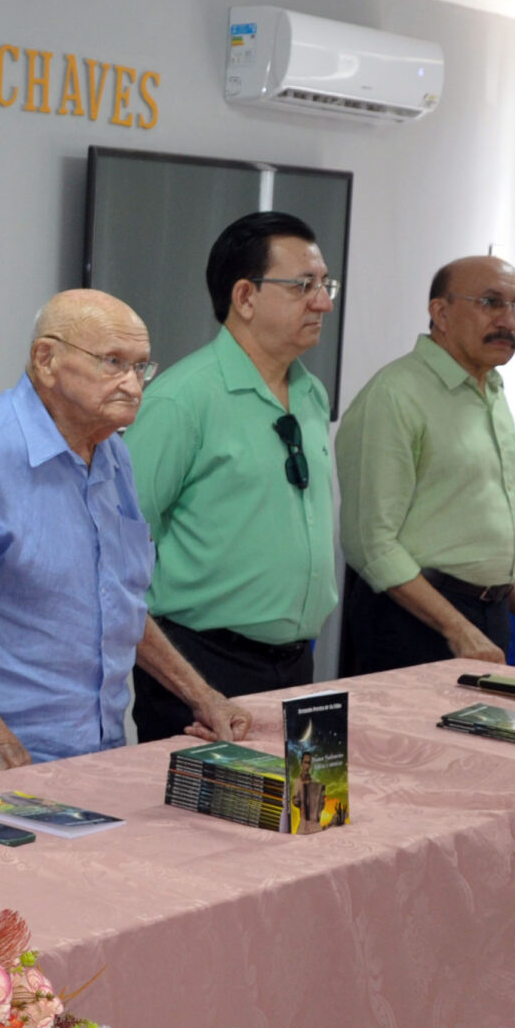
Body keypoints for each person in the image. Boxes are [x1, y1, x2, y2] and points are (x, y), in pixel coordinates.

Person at [0, 290, 251, 773]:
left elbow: (118, 604)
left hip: (98, 754)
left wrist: (203, 696)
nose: (133, 386)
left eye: (140, 368)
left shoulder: (113, 454)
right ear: (45, 359)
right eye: (113, 362)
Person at [123, 213, 341, 740]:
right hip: (201, 664)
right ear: (245, 297)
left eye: (325, 284)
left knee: (296, 817)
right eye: (303, 286)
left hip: (296, 665)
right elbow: (115, 546)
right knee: (198, 825)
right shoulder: (180, 400)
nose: (324, 302)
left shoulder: (311, 395)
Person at [336, 256, 515, 673]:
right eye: (491, 302)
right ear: (440, 312)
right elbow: (371, 545)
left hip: (488, 619)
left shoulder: (489, 389)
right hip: (412, 624)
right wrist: (456, 628)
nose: (508, 320)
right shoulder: (395, 395)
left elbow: (473, 544)